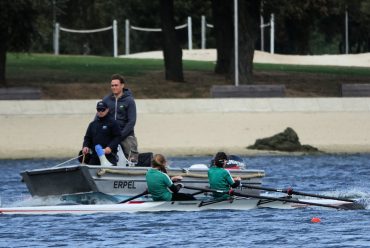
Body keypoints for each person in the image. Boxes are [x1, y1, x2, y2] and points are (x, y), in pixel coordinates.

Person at [102, 74, 138, 162]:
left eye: (116, 85)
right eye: (112, 85)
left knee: (131, 160)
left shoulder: (129, 100)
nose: (114, 87)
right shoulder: (106, 100)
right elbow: (99, 117)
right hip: (110, 135)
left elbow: (131, 121)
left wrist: (120, 136)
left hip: (126, 135)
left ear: (122, 85)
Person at [82, 101, 122, 165]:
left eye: (103, 109)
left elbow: (118, 137)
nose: (100, 111)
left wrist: (110, 147)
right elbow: (87, 138)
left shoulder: (113, 123)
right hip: (95, 157)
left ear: (107, 110)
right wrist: (85, 146)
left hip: (109, 156)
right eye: (98, 109)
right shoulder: (92, 124)